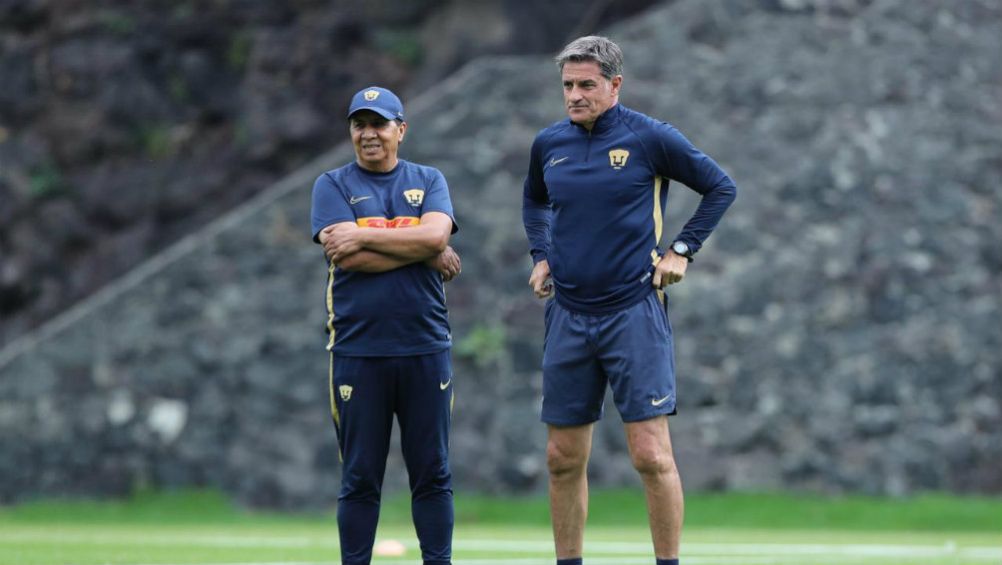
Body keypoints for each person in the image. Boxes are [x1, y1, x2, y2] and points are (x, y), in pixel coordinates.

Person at [522, 36, 737, 565]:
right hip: (568, 314)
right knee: (561, 458)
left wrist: (682, 250)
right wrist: (541, 254)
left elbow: (720, 186)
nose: (574, 95)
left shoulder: (649, 137)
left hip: (633, 313)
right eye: (568, 85)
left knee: (650, 455)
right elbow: (534, 200)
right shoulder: (549, 144)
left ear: (615, 85)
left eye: (586, 85)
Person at [310, 86, 461, 565]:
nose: (368, 134)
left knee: (432, 473)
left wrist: (364, 232)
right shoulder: (331, 184)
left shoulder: (428, 178)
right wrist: (419, 249)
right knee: (359, 476)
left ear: (401, 129)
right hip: (358, 351)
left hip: (424, 347)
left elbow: (438, 233)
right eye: (360, 124)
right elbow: (346, 258)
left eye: (378, 123)